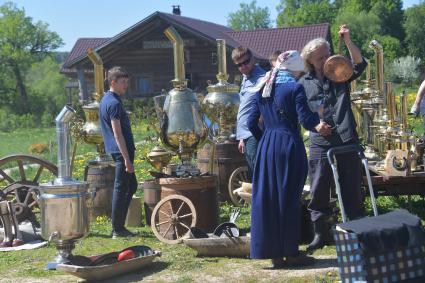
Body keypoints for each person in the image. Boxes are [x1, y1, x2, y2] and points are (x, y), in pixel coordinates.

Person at [248, 50, 331, 268]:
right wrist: (318, 124)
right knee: (289, 198)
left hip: (267, 146)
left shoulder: (263, 88)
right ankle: (291, 253)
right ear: (293, 68)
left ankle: (275, 254)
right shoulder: (295, 88)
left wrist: (266, 139)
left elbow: (250, 123)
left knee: (269, 199)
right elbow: (305, 119)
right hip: (288, 145)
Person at [299, 25, 367, 253]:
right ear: (310, 61)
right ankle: (320, 233)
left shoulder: (340, 72)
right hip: (320, 140)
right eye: (321, 58)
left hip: (346, 136)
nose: (326, 59)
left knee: (352, 184)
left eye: (327, 54)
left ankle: (355, 229)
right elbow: (302, 113)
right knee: (318, 186)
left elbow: (360, 64)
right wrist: (315, 125)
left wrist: (347, 40)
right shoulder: (302, 83)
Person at [99, 66, 138, 239]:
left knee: (131, 186)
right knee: (121, 188)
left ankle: (119, 225)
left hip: (121, 152)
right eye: (123, 82)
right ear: (113, 82)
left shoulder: (107, 99)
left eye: (127, 82)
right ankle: (117, 229)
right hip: (122, 153)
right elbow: (117, 133)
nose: (126, 86)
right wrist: (126, 159)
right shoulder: (113, 103)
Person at [232, 46, 266, 181]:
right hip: (246, 134)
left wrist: (261, 120)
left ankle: (262, 201)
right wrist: (241, 137)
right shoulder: (245, 79)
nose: (243, 66)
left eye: (246, 62)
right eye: (239, 65)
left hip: (255, 131)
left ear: (253, 59)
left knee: (258, 173)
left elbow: (267, 104)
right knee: (253, 172)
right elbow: (245, 107)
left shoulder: (263, 78)